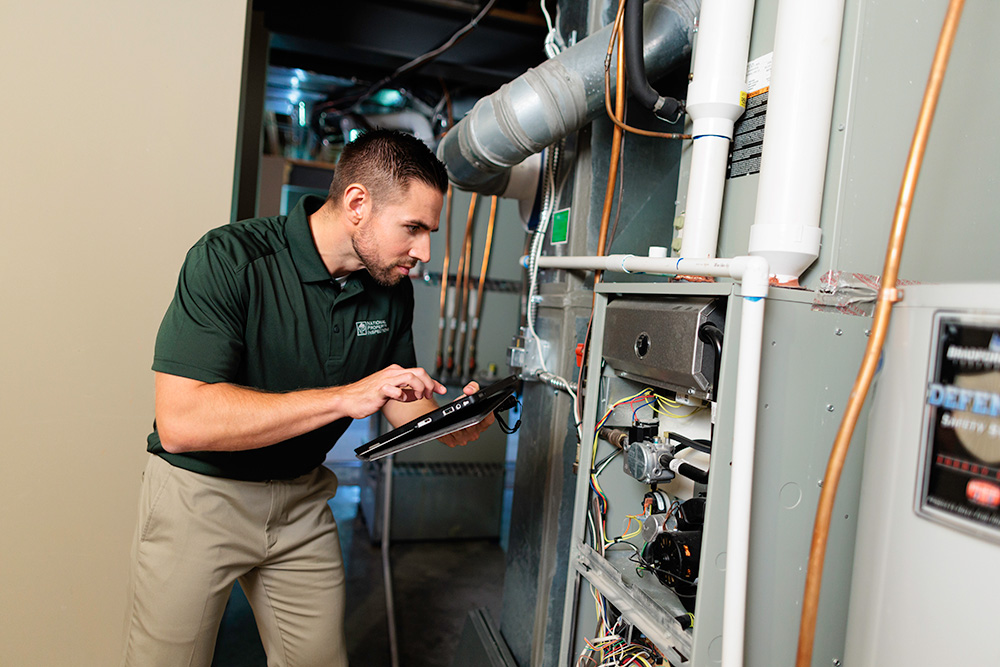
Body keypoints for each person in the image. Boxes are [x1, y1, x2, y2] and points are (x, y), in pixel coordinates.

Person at [121, 129, 492, 666]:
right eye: (413, 228)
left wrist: (449, 422)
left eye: (430, 232)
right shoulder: (229, 259)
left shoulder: (391, 287)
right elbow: (182, 420)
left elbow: (396, 395)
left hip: (300, 503)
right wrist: (344, 398)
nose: (424, 252)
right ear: (358, 204)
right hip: (200, 497)